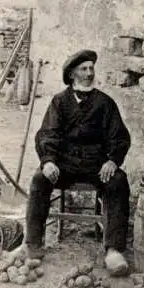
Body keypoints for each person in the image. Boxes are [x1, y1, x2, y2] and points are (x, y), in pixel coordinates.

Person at [21, 49, 131, 276]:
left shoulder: (105, 103)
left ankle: (113, 250)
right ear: (72, 74)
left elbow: (119, 136)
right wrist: (49, 161)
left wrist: (112, 161)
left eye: (92, 68)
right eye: (84, 69)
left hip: (95, 165)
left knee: (118, 180)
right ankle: (32, 244)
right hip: (65, 165)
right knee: (39, 178)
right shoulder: (59, 102)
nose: (90, 73)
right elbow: (47, 134)